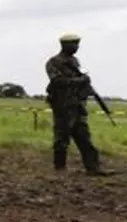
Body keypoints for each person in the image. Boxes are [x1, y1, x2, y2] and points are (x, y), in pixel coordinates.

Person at [45, 32, 106, 175]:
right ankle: (60, 168)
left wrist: (86, 86)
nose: (76, 47)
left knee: (84, 137)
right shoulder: (53, 62)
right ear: (65, 45)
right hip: (63, 106)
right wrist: (80, 81)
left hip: (78, 105)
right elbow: (57, 81)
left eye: (77, 44)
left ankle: (93, 167)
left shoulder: (74, 61)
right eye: (74, 44)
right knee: (62, 138)